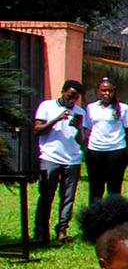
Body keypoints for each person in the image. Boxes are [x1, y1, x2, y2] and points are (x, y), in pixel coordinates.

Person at [32, 79, 85, 245]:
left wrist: (78, 128)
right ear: (62, 92)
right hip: (51, 157)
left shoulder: (80, 112)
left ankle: (62, 230)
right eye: (70, 96)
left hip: (73, 159)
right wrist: (56, 119)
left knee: (68, 197)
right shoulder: (47, 106)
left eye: (75, 98)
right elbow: (37, 130)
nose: (72, 101)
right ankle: (40, 232)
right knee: (46, 195)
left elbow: (83, 139)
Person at [82, 75, 128, 203]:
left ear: (114, 91)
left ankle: (114, 219)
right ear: (98, 92)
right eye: (103, 90)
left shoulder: (123, 108)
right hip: (95, 151)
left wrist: (123, 148)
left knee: (114, 188)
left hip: (116, 151)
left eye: (110, 91)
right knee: (95, 188)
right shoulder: (91, 108)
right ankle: (96, 218)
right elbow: (87, 128)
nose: (107, 93)